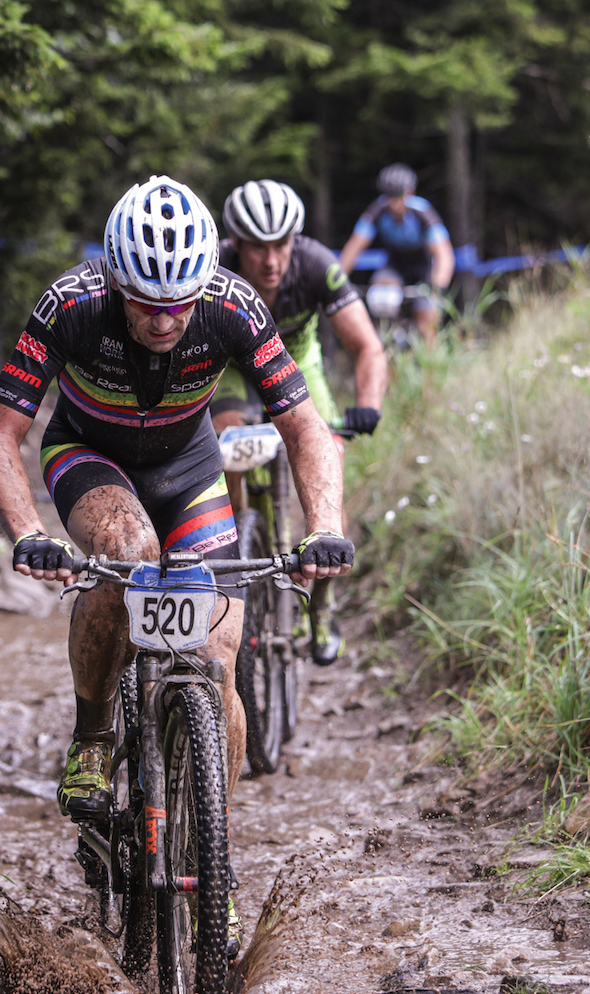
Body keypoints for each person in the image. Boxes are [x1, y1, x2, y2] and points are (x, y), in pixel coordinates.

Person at [0, 176, 355, 950]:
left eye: (179, 302)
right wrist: (24, 532)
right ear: (115, 279)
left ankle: (213, 859)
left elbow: (308, 430)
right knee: (130, 555)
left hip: (189, 469)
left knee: (219, 662)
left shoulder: (233, 304)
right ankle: (91, 736)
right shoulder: (69, 306)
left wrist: (325, 527)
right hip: (90, 456)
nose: (165, 318)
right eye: (147, 301)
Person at [213, 179, 389, 665]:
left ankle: (323, 608)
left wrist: (367, 404)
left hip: (297, 364)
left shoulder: (316, 265)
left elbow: (368, 346)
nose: (271, 260)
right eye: (257, 248)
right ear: (235, 244)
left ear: (296, 240)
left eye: (281, 245)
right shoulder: (214, 269)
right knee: (226, 443)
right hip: (232, 369)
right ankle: (235, 551)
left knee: (328, 454)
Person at [338, 163, 455, 346]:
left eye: (398, 197)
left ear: (409, 193)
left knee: (427, 320)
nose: (394, 203)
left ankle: (430, 365)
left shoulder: (423, 212)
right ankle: (388, 349)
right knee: (380, 298)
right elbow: (354, 247)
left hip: (423, 267)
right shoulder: (377, 211)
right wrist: (338, 279)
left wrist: (438, 284)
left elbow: (443, 254)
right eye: (389, 197)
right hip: (395, 265)